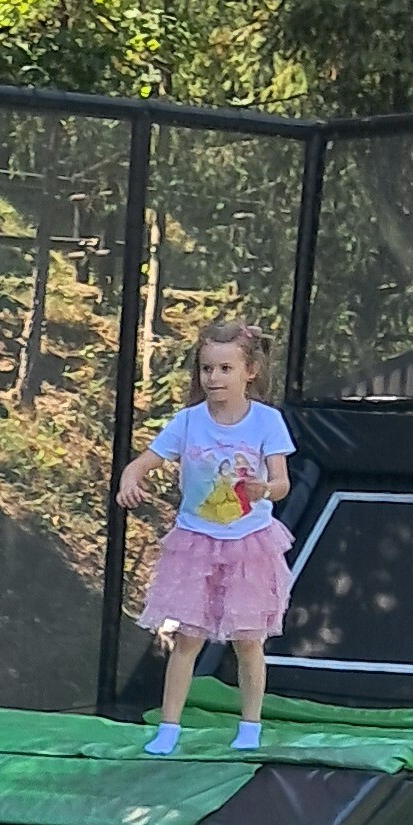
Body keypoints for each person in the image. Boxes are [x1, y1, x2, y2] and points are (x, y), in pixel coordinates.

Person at [115, 319, 297, 753]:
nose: (214, 377)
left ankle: (250, 726)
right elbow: (143, 462)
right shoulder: (188, 422)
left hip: (248, 542)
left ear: (249, 371)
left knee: (247, 640)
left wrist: (264, 489)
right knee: (188, 637)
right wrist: (129, 480)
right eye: (207, 369)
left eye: (225, 369)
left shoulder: (266, 422)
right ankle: (169, 728)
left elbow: (282, 483)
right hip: (196, 541)